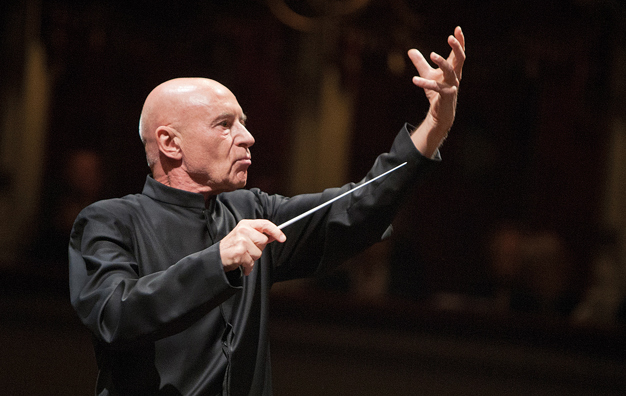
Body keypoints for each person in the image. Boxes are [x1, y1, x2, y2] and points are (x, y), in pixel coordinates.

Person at [69, 27, 465, 395]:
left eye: (243, 122)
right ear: (170, 143)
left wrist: (434, 126)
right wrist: (217, 261)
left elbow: (353, 209)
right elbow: (113, 316)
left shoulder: (249, 209)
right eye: (225, 125)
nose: (248, 137)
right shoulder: (110, 221)